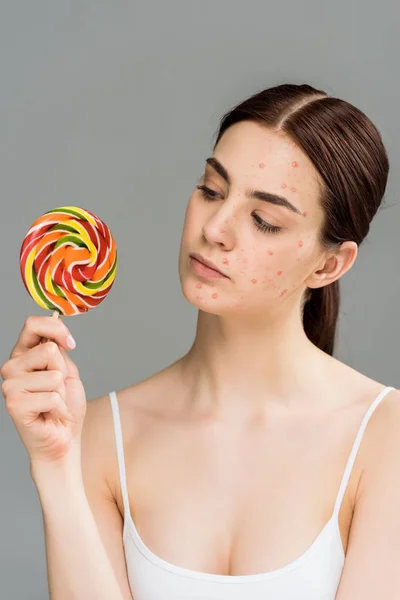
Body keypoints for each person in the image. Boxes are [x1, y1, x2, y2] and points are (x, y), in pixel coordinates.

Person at [2, 82, 400, 600]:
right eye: (211, 190)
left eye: (264, 220)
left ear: (329, 264)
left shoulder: (385, 439)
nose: (215, 227)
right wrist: (55, 469)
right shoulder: (96, 435)